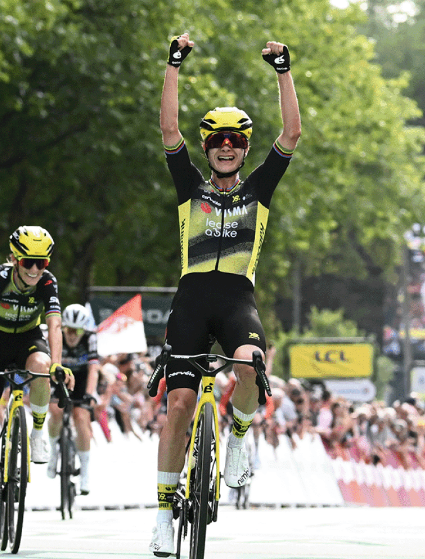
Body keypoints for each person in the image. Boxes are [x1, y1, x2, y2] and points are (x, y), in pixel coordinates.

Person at [150, 33, 301, 556]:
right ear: (208, 147)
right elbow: (168, 129)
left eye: (235, 140)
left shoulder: (259, 188)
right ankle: (163, 516)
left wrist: (283, 70)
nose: (226, 146)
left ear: (245, 148)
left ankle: (237, 436)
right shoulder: (189, 186)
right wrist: (173, 64)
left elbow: (292, 132)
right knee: (179, 405)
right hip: (191, 300)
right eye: (217, 140)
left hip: (238, 300)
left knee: (250, 363)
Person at [0, 225, 74, 530]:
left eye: (42, 263)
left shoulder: (48, 282)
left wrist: (57, 364)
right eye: (28, 262)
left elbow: (54, 325)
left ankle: (38, 433)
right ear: (15, 259)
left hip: (28, 340)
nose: (35, 269)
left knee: (42, 365)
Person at [45, 303, 100, 494]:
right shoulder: (56, 335)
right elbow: (46, 366)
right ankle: (54, 451)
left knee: (81, 417)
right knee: (55, 411)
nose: (72, 334)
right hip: (59, 377)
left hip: (81, 379)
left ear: (84, 329)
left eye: (77, 330)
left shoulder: (91, 337)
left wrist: (90, 394)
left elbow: (94, 369)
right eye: (68, 329)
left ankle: (85, 470)